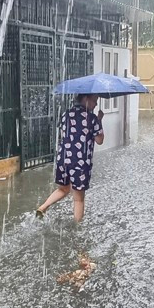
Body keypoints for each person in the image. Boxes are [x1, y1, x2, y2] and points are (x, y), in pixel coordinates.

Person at [35, 93, 105, 222]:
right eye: (94, 100)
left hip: (63, 160)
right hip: (81, 163)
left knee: (63, 188)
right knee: (78, 199)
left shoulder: (65, 114)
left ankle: (43, 207)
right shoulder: (92, 118)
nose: (95, 104)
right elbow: (99, 140)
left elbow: (63, 134)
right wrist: (99, 121)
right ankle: (77, 228)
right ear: (85, 99)